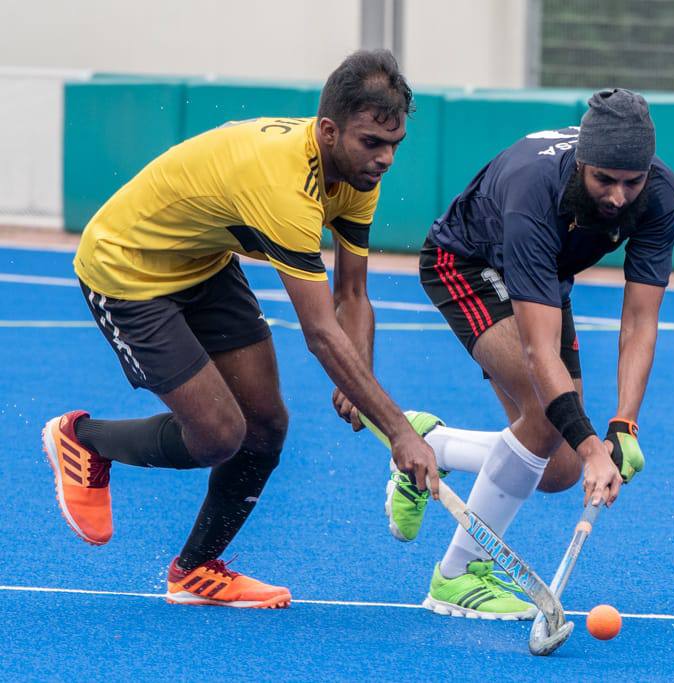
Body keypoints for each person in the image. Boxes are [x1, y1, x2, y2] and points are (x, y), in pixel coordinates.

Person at [41, 49, 439, 609]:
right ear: (328, 130)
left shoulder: (355, 174)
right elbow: (322, 330)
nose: (386, 159)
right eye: (372, 143)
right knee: (219, 434)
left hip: (202, 263)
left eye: (394, 145)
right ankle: (84, 440)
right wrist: (399, 430)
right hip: (127, 269)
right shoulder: (286, 186)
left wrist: (361, 379)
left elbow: (353, 294)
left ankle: (196, 569)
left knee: (266, 425)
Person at [359, 89, 674, 619]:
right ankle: (457, 575)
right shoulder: (535, 188)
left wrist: (623, 424)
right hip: (465, 263)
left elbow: (640, 319)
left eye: (632, 181)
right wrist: (592, 449)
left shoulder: (662, 195)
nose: (619, 197)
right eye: (605, 180)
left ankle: (432, 444)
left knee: (555, 469)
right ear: (582, 163)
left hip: (542, 278)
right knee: (545, 414)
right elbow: (538, 353)